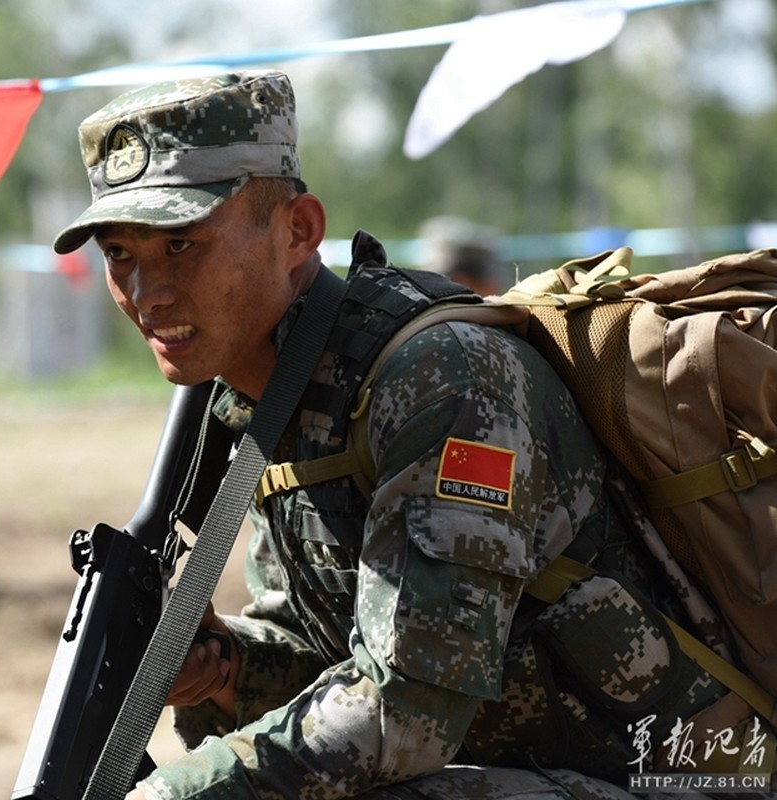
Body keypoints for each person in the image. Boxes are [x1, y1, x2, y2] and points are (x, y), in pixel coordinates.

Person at [52, 71, 770, 799]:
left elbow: (408, 713)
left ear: (298, 230)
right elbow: (336, 663)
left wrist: (170, 794)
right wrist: (226, 669)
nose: (147, 294)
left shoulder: (443, 379)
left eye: (180, 246)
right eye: (120, 255)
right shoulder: (276, 394)